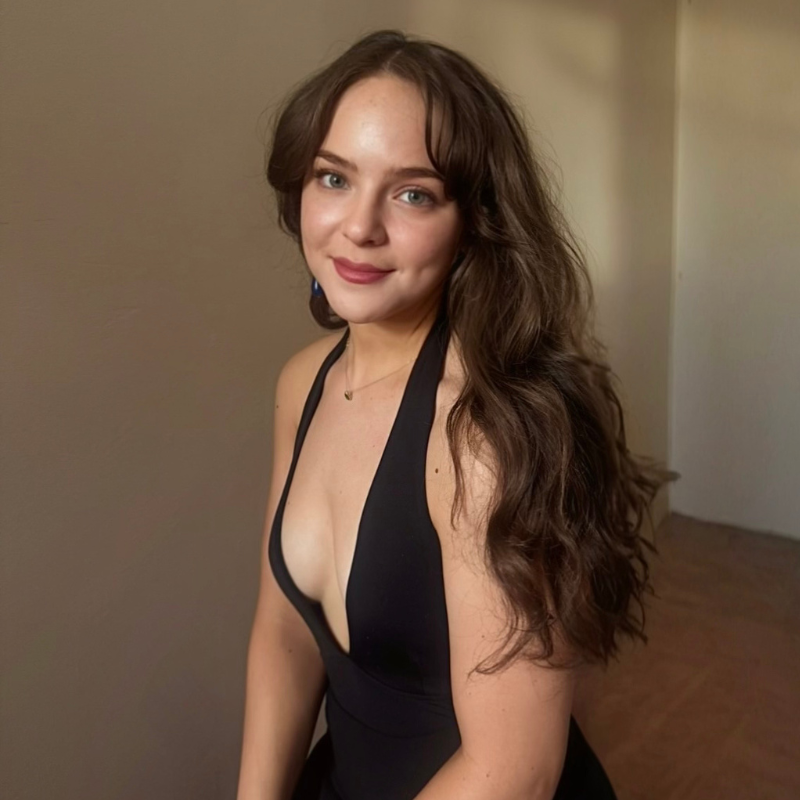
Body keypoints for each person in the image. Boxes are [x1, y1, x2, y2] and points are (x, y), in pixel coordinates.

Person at [237, 29, 676, 800]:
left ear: (476, 221)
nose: (360, 227)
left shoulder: (486, 435)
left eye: (413, 193)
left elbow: (514, 771)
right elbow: (285, 632)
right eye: (334, 178)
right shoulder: (302, 383)